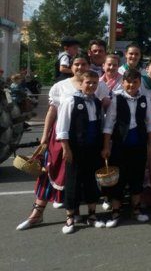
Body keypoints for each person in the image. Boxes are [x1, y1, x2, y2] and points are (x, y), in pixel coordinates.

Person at [16, 55, 110, 231]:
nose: (80, 67)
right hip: (62, 138)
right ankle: (37, 214)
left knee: (86, 178)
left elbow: (104, 109)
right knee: (52, 173)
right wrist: (45, 136)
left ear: (89, 66)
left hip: (89, 140)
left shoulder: (98, 86)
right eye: (76, 64)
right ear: (70, 66)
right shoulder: (61, 86)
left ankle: (88, 213)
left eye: (83, 64)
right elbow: (53, 112)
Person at [102, 69, 151, 228]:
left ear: (139, 83)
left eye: (135, 82)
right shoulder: (116, 99)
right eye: (129, 82)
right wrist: (106, 146)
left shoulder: (144, 99)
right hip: (120, 145)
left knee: (137, 177)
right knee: (118, 179)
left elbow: (150, 124)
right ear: (123, 82)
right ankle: (116, 211)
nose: (132, 85)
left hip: (138, 144)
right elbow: (109, 125)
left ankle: (136, 210)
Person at [56, 71, 105, 233]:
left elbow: (101, 125)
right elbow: (62, 127)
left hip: (93, 149)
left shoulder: (97, 103)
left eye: (94, 83)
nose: (91, 86)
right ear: (81, 84)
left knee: (92, 182)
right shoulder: (70, 101)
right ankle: (70, 217)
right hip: (75, 149)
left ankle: (92, 215)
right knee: (73, 182)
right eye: (88, 82)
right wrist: (66, 148)